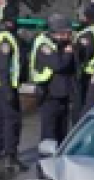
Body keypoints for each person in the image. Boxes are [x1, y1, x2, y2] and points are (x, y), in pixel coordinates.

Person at [0, 16, 25, 172]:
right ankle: (11, 156)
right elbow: (3, 67)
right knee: (12, 121)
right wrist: (8, 90)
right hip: (5, 86)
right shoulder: (5, 40)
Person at [29, 14, 78, 146]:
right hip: (49, 95)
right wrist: (68, 53)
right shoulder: (44, 45)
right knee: (49, 135)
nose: (69, 36)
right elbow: (58, 65)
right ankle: (45, 162)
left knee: (62, 133)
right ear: (58, 32)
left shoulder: (61, 44)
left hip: (63, 95)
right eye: (67, 33)